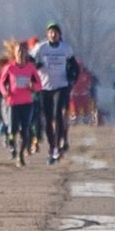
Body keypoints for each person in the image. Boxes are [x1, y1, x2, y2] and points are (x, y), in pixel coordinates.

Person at [33, 22, 78, 163]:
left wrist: (72, 78)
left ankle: (58, 147)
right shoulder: (41, 47)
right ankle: (52, 146)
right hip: (45, 87)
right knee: (46, 120)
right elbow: (29, 62)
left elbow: (74, 65)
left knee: (57, 115)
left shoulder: (66, 48)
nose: (53, 35)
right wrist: (36, 66)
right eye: (50, 32)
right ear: (47, 34)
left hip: (61, 86)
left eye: (55, 32)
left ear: (59, 35)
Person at [0, 39, 41, 165]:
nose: (21, 54)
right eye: (19, 51)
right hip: (12, 102)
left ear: (27, 54)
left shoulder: (31, 68)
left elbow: (39, 84)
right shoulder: (9, 68)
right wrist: (5, 92)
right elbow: (1, 82)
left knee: (25, 130)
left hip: (27, 102)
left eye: (23, 52)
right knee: (13, 130)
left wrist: (33, 87)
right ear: (15, 53)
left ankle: (20, 155)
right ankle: (12, 146)